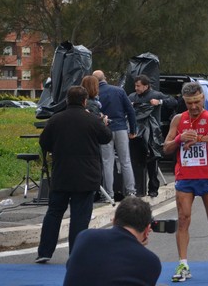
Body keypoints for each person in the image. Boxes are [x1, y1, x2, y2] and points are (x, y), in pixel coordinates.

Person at [163, 81, 208, 282]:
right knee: (183, 219)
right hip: (185, 177)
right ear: (184, 101)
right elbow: (165, 148)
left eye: (197, 102)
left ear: (203, 98)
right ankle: (183, 264)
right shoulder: (178, 119)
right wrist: (179, 139)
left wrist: (201, 139)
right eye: (189, 103)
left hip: (207, 176)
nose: (193, 107)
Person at [36, 86, 113, 263]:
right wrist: (104, 124)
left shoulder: (56, 119)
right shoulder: (92, 120)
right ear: (85, 101)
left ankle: (44, 251)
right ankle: (76, 253)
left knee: (54, 213)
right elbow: (106, 138)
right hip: (86, 176)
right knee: (80, 216)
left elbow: (44, 142)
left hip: (62, 174)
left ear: (68, 100)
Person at [63, 197, 161, 286]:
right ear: (147, 230)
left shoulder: (85, 237)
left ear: (114, 221)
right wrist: (137, 246)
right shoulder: (151, 261)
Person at [128, 74, 176, 198]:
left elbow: (173, 101)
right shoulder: (132, 97)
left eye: (138, 86)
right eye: (135, 86)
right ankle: (137, 188)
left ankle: (153, 188)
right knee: (136, 162)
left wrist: (160, 102)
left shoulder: (156, 95)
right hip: (136, 134)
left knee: (152, 161)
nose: (136, 88)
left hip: (152, 134)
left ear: (146, 86)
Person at [93, 70, 138, 198]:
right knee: (125, 160)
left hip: (104, 129)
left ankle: (109, 193)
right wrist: (133, 130)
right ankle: (131, 190)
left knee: (107, 161)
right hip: (121, 128)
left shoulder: (95, 94)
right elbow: (130, 111)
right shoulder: (119, 91)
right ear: (105, 78)